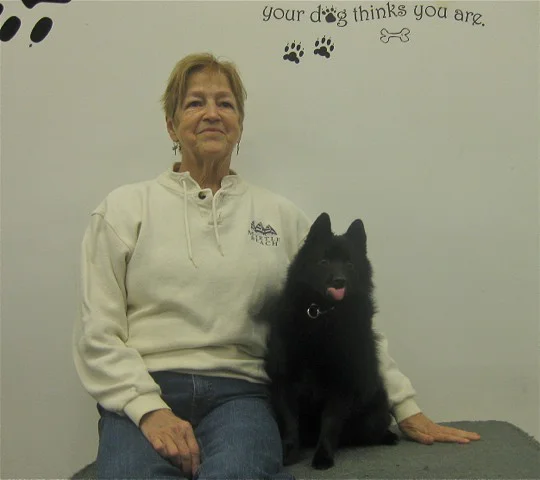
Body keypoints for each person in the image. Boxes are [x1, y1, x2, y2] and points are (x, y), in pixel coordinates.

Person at [73, 52, 480, 480]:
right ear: (171, 125)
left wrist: (405, 406)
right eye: (195, 103)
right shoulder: (123, 210)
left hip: (242, 397)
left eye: (225, 103)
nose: (212, 114)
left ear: (239, 125)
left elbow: (352, 319)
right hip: (147, 391)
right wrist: (148, 409)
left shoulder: (280, 217)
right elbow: (97, 333)